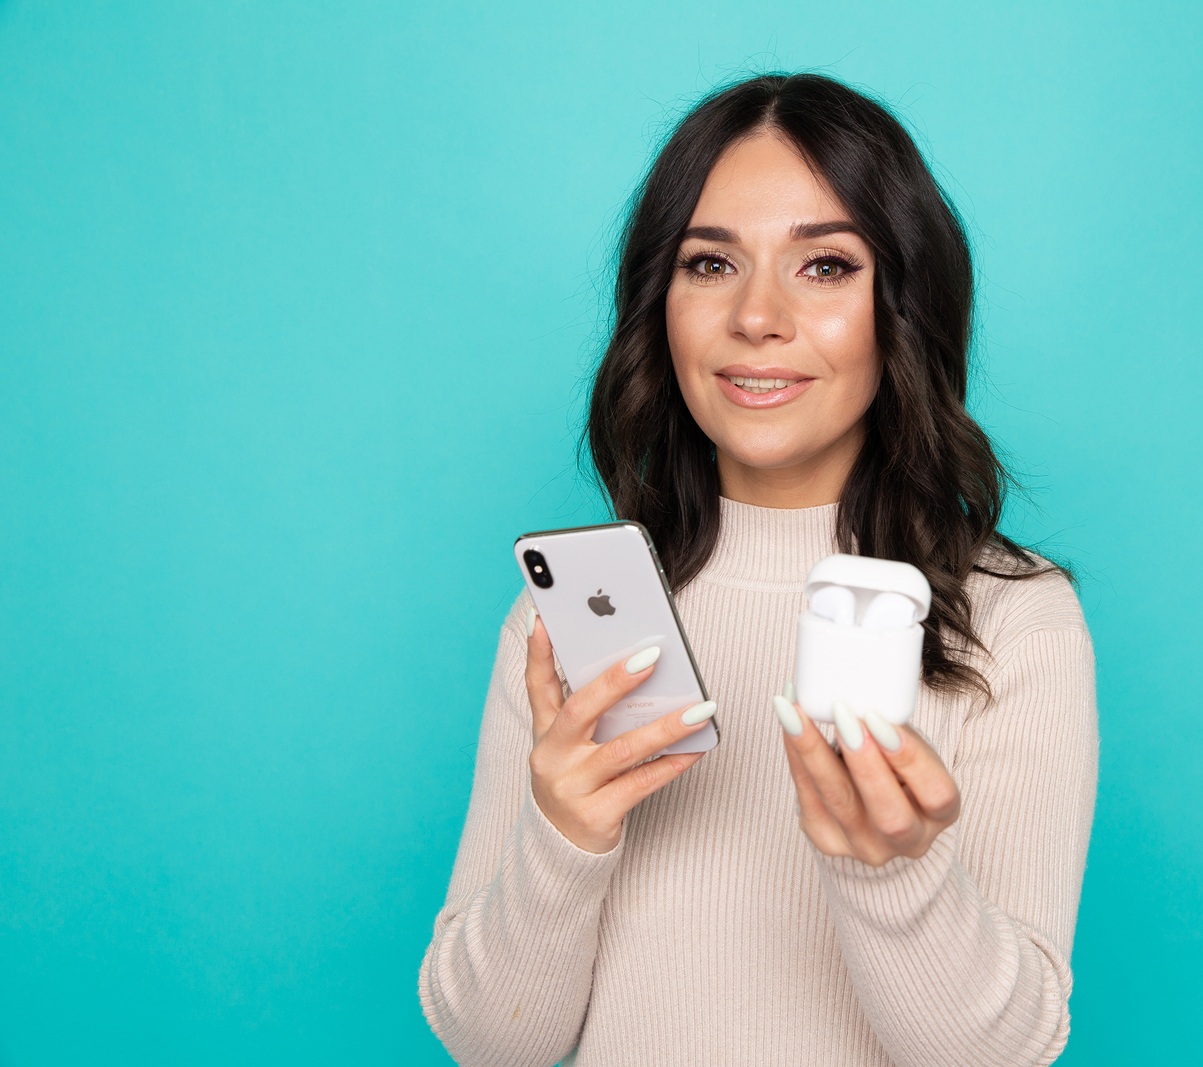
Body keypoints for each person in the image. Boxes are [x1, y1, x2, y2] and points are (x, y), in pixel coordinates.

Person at [418, 71, 1098, 1067]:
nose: (757, 318)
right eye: (708, 264)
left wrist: (891, 872)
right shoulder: (566, 620)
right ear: (662, 303)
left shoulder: (1011, 618)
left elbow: (1003, 1051)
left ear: (900, 304)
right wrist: (561, 837)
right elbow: (490, 1042)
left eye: (824, 266)